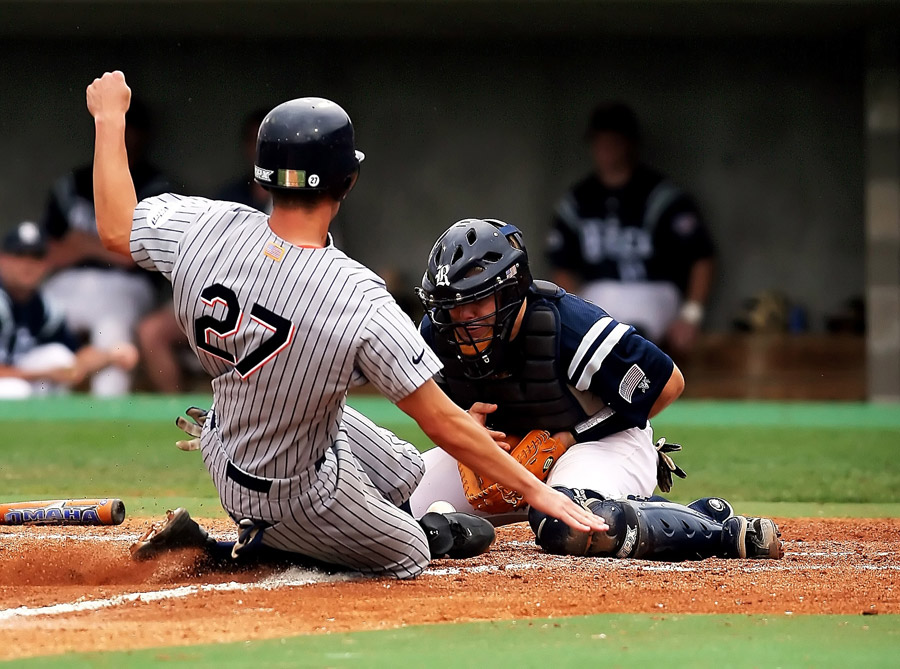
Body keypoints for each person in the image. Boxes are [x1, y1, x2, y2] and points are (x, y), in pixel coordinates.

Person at [85, 70, 605, 579]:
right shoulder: (357, 295)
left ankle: (304, 524)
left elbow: (115, 227)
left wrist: (110, 119)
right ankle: (237, 549)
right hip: (290, 491)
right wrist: (539, 492)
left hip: (227, 436)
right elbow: (441, 422)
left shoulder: (204, 225)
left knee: (408, 471)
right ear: (347, 182)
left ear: (263, 174)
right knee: (413, 550)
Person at [410, 217, 782, 561]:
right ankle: (466, 531)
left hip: (602, 443)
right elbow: (436, 407)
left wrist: (569, 438)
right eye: (452, 305)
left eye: (475, 302)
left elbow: (669, 383)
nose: (462, 318)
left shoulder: (568, 326)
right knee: (393, 503)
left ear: (510, 292)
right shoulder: (438, 332)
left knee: (571, 526)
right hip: (506, 454)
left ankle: (719, 530)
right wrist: (464, 428)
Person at [546, 102, 715, 357]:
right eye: (599, 141)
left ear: (630, 143)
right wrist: (572, 314)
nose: (605, 150)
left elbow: (701, 256)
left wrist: (691, 315)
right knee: (589, 325)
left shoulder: (663, 196)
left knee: (630, 338)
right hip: (599, 290)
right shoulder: (578, 200)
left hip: (655, 290)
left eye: (613, 141)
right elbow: (561, 267)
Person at [136, 109, 271, 393]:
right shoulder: (230, 196)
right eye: (253, 140)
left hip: (272, 303)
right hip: (223, 294)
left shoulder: (301, 198)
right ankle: (172, 410)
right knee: (152, 331)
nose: (259, 148)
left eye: (266, 141)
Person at [41, 97, 170, 396]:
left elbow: (136, 253)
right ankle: (40, 416)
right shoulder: (71, 184)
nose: (124, 135)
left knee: (112, 332)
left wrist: (83, 243)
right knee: (43, 329)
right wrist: (107, 244)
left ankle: (108, 414)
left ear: (144, 134)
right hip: (68, 281)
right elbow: (46, 254)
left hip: (125, 284)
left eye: (130, 127)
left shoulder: (157, 187)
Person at [0, 220, 139, 399]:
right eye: (19, 255)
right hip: (12, 386)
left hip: (18, 381)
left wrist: (111, 355)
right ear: (3, 259)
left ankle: (45, 426)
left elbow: (73, 362)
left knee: (58, 357)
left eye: (36, 256)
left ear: (45, 263)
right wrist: (44, 374)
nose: (28, 264)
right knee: (16, 390)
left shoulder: (42, 307)